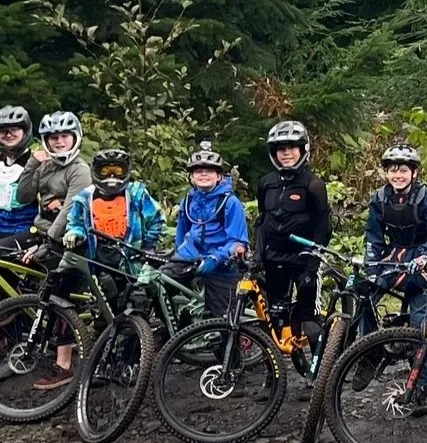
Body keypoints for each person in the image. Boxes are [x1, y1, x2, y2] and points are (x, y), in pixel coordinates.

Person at [38, 148, 165, 390]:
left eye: (118, 170)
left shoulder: (137, 194)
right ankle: (104, 364)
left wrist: (147, 246)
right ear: (96, 172)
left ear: (126, 172)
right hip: (99, 260)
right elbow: (75, 223)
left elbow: (157, 219)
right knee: (107, 312)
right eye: (105, 170)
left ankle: (132, 364)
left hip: (131, 261)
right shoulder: (84, 198)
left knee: (134, 309)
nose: (112, 176)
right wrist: (74, 235)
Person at [254, 120, 331, 346]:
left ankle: (321, 373)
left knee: (308, 320)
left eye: (291, 147)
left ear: (303, 150)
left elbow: (323, 227)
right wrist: (258, 253)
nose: (286, 153)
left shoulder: (313, 184)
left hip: (304, 258)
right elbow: (262, 220)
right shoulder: (266, 183)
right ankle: (276, 371)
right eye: (280, 148)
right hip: (274, 257)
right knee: (275, 317)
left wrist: (314, 261)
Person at [364, 144, 427, 331]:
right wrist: (371, 267)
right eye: (393, 171)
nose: (398, 176)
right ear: (386, 173)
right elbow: (373, 236)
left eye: (403, 170)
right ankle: (368, 354)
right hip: (393, 258)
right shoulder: (379, 199)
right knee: (364, 298)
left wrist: (425, 256)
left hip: (422, 262)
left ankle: (422, 358)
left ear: (414, 173)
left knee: (419, 327)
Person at [170, 142, 250, 318]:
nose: (203, 174)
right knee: (157, 284)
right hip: (191, 261)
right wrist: (181, 255)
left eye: (210, 171)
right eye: (198, 171)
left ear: (219, 176)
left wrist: (216, 258)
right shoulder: (188, 201)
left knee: (224, 323)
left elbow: (238, 242)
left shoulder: (230, 203)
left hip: (222, 267)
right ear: (191, 177)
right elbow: (181, 235)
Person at [19, 111, 91, 254]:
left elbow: (68, 212)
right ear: (46, 141)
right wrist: (32, 164)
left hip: (66, 239)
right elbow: (23, 197)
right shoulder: (44, 166)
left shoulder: (80, 170)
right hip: (41, 229)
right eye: (54, 137)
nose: (59, 141)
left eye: (65, 136)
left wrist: (47, 245)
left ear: (75, 137)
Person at [0, 106, 38, 239]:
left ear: (25, 131)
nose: (8, 135)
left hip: (26, 233)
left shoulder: (37, 162)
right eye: (3, 131)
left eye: (14, 129)